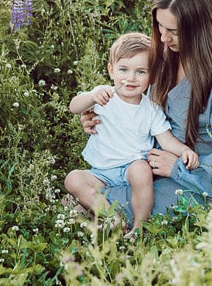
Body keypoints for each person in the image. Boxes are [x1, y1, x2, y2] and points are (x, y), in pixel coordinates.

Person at [80, 0, 212, 225]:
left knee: (144, 204)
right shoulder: (169, 51)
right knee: (83, 181)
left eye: (174, 31)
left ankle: (112, 215)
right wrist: (106, 116)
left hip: (196, 178)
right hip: (143, 162)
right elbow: (145, 109)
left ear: (201, 29)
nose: (163, 38)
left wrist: (178, 168)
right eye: (160, 26)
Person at [64, 32, 199, 234]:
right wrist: (91, 96)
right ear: (111, 70)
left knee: (142, 170)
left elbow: (166, 139)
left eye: (140, 72)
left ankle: (138, 226)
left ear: (151, 76)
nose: (131, 78)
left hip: (131, 166)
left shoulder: (151, 109)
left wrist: (185, 151)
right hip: (101, 171)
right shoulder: (104, 96)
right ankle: (113, 219)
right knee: (73, 179)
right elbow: (74, 107)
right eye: (124, 70)